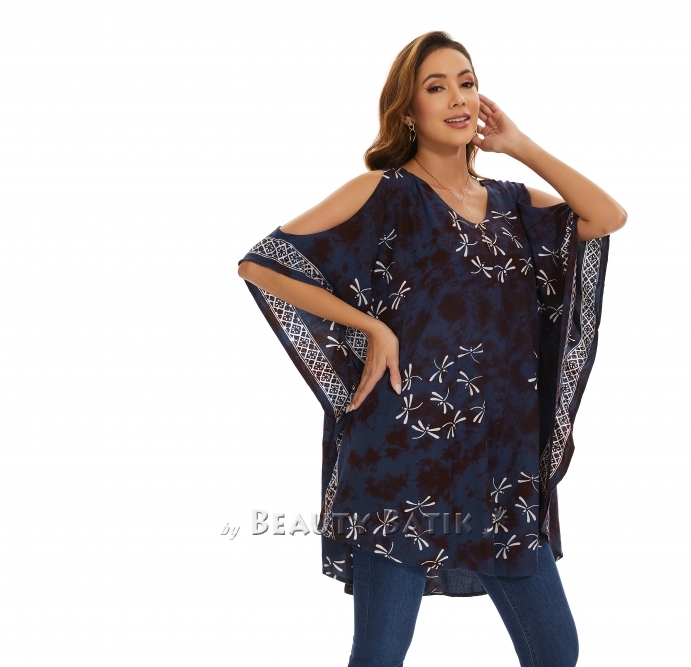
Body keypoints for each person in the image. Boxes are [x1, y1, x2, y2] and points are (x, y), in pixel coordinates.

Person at [237, 31, 626, 667]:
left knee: (556, 650)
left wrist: (520, 145)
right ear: (408, 109)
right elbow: (263, 264)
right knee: (381, 654)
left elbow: (606, 217)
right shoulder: (384, 193)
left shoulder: (513, 203)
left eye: (466, 83)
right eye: (436, 87)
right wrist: (373, 328)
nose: (457, 98)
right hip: (402, 464)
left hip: (498, 467)